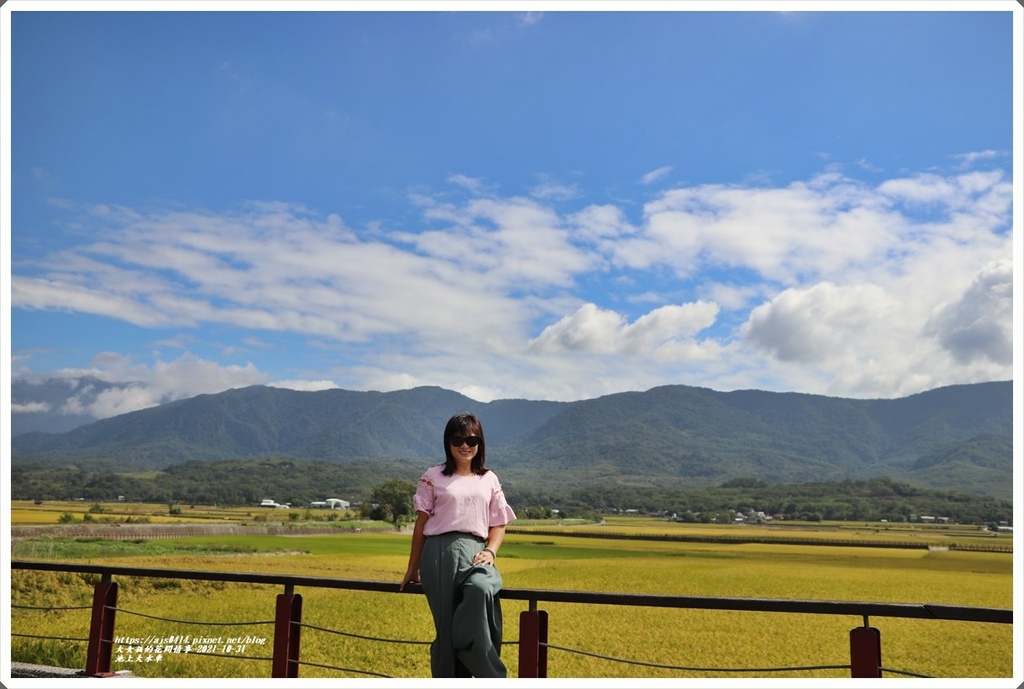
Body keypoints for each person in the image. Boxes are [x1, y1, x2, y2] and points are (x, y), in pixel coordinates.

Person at [400, 412, 517, 678]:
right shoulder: (433, 476)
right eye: (457, 439)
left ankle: (489, 673)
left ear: (480, 443)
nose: (465, 445)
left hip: (477, 551)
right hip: (438, 554)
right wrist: (412, 568)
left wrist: (490, 550)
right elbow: (420, 525)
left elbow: (498, 523)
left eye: (472, 439)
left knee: (482, 587)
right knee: (444, 624)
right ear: (448, 442)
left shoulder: (489, 479)